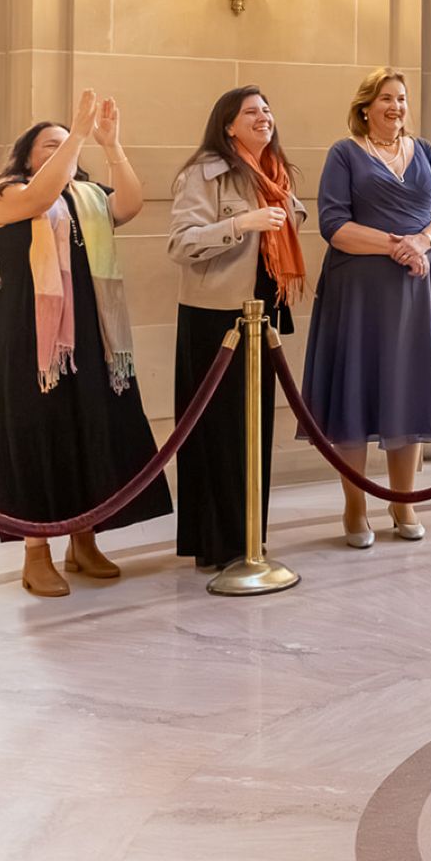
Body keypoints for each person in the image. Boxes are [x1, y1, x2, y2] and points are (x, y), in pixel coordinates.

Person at [0, 91, 171, 596]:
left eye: (66, 142)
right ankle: (36, 552)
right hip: (27, 340)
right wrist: (78, 132)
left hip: (90, 336)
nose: (63, 148)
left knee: (90, 430)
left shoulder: (86, 197)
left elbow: (129, 203)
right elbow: (41, 197)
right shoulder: (5, 194)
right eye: (50, 144)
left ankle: (85, 539)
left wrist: (111, 144)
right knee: (36, 438)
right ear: (27, 156)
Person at [302, 67, 431, 547]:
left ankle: (403, 500)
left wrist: (422, 241)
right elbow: (334, 225)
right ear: (366, 106)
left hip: (414, 292)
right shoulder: (344, 154)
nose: (396, 107)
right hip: (359, 292)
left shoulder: (425, 151)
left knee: (406, 391)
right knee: (355, 392)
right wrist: (397, 245)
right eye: (386, 98)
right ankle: (355, 506)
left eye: (402, 99)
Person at [168, 86, 307, 571]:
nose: (264, 117)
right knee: (218, 433)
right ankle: (217, 541)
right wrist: (242, 222)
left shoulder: (275, 173)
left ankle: (250, 535)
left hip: (261, 315)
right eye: (251, 111)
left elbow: (292, 218)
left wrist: (283, 211)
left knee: (255, 430)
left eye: (268, 109)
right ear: (228, 123)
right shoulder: (202, 173)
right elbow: (181, 244)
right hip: (214, 321)